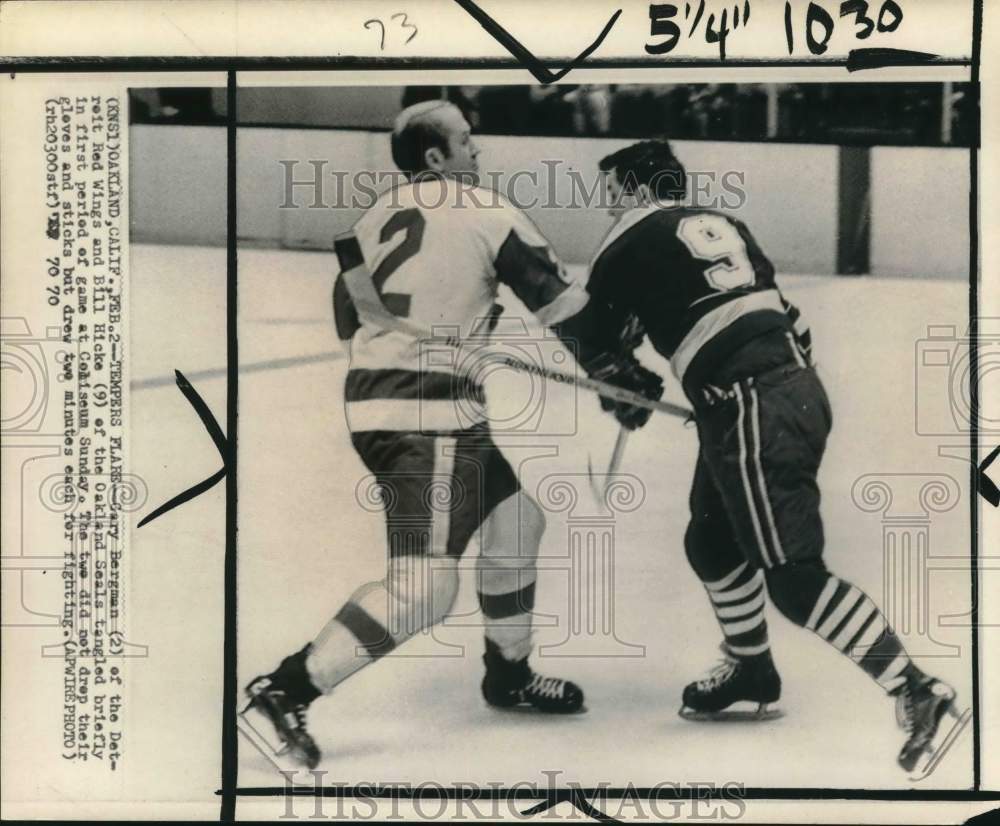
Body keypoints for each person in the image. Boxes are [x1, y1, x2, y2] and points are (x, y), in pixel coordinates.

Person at [242, 102, 662, 769]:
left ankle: (509, 672)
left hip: (404, 402)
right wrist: (619, 372)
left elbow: (349, 320)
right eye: (466, 141)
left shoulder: (373, 219)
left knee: (516, 518)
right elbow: (560, 304)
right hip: (425, 412)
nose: (478, 150)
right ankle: (286, 691)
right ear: (436, 157)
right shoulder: (484, 210)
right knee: (424, 589)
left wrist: (452, 324)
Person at [585, 139, 959, 772]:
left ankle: (919, 692)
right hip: (786, 392)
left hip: (748, 406)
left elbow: (596, 340)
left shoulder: (626, 244)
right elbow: (789, 321)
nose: (606, 209)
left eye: (612, 193)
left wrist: (626, 388)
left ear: (641, 190)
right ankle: (752, 670)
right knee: (711, 539)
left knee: (793, 577)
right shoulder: (725, 226)